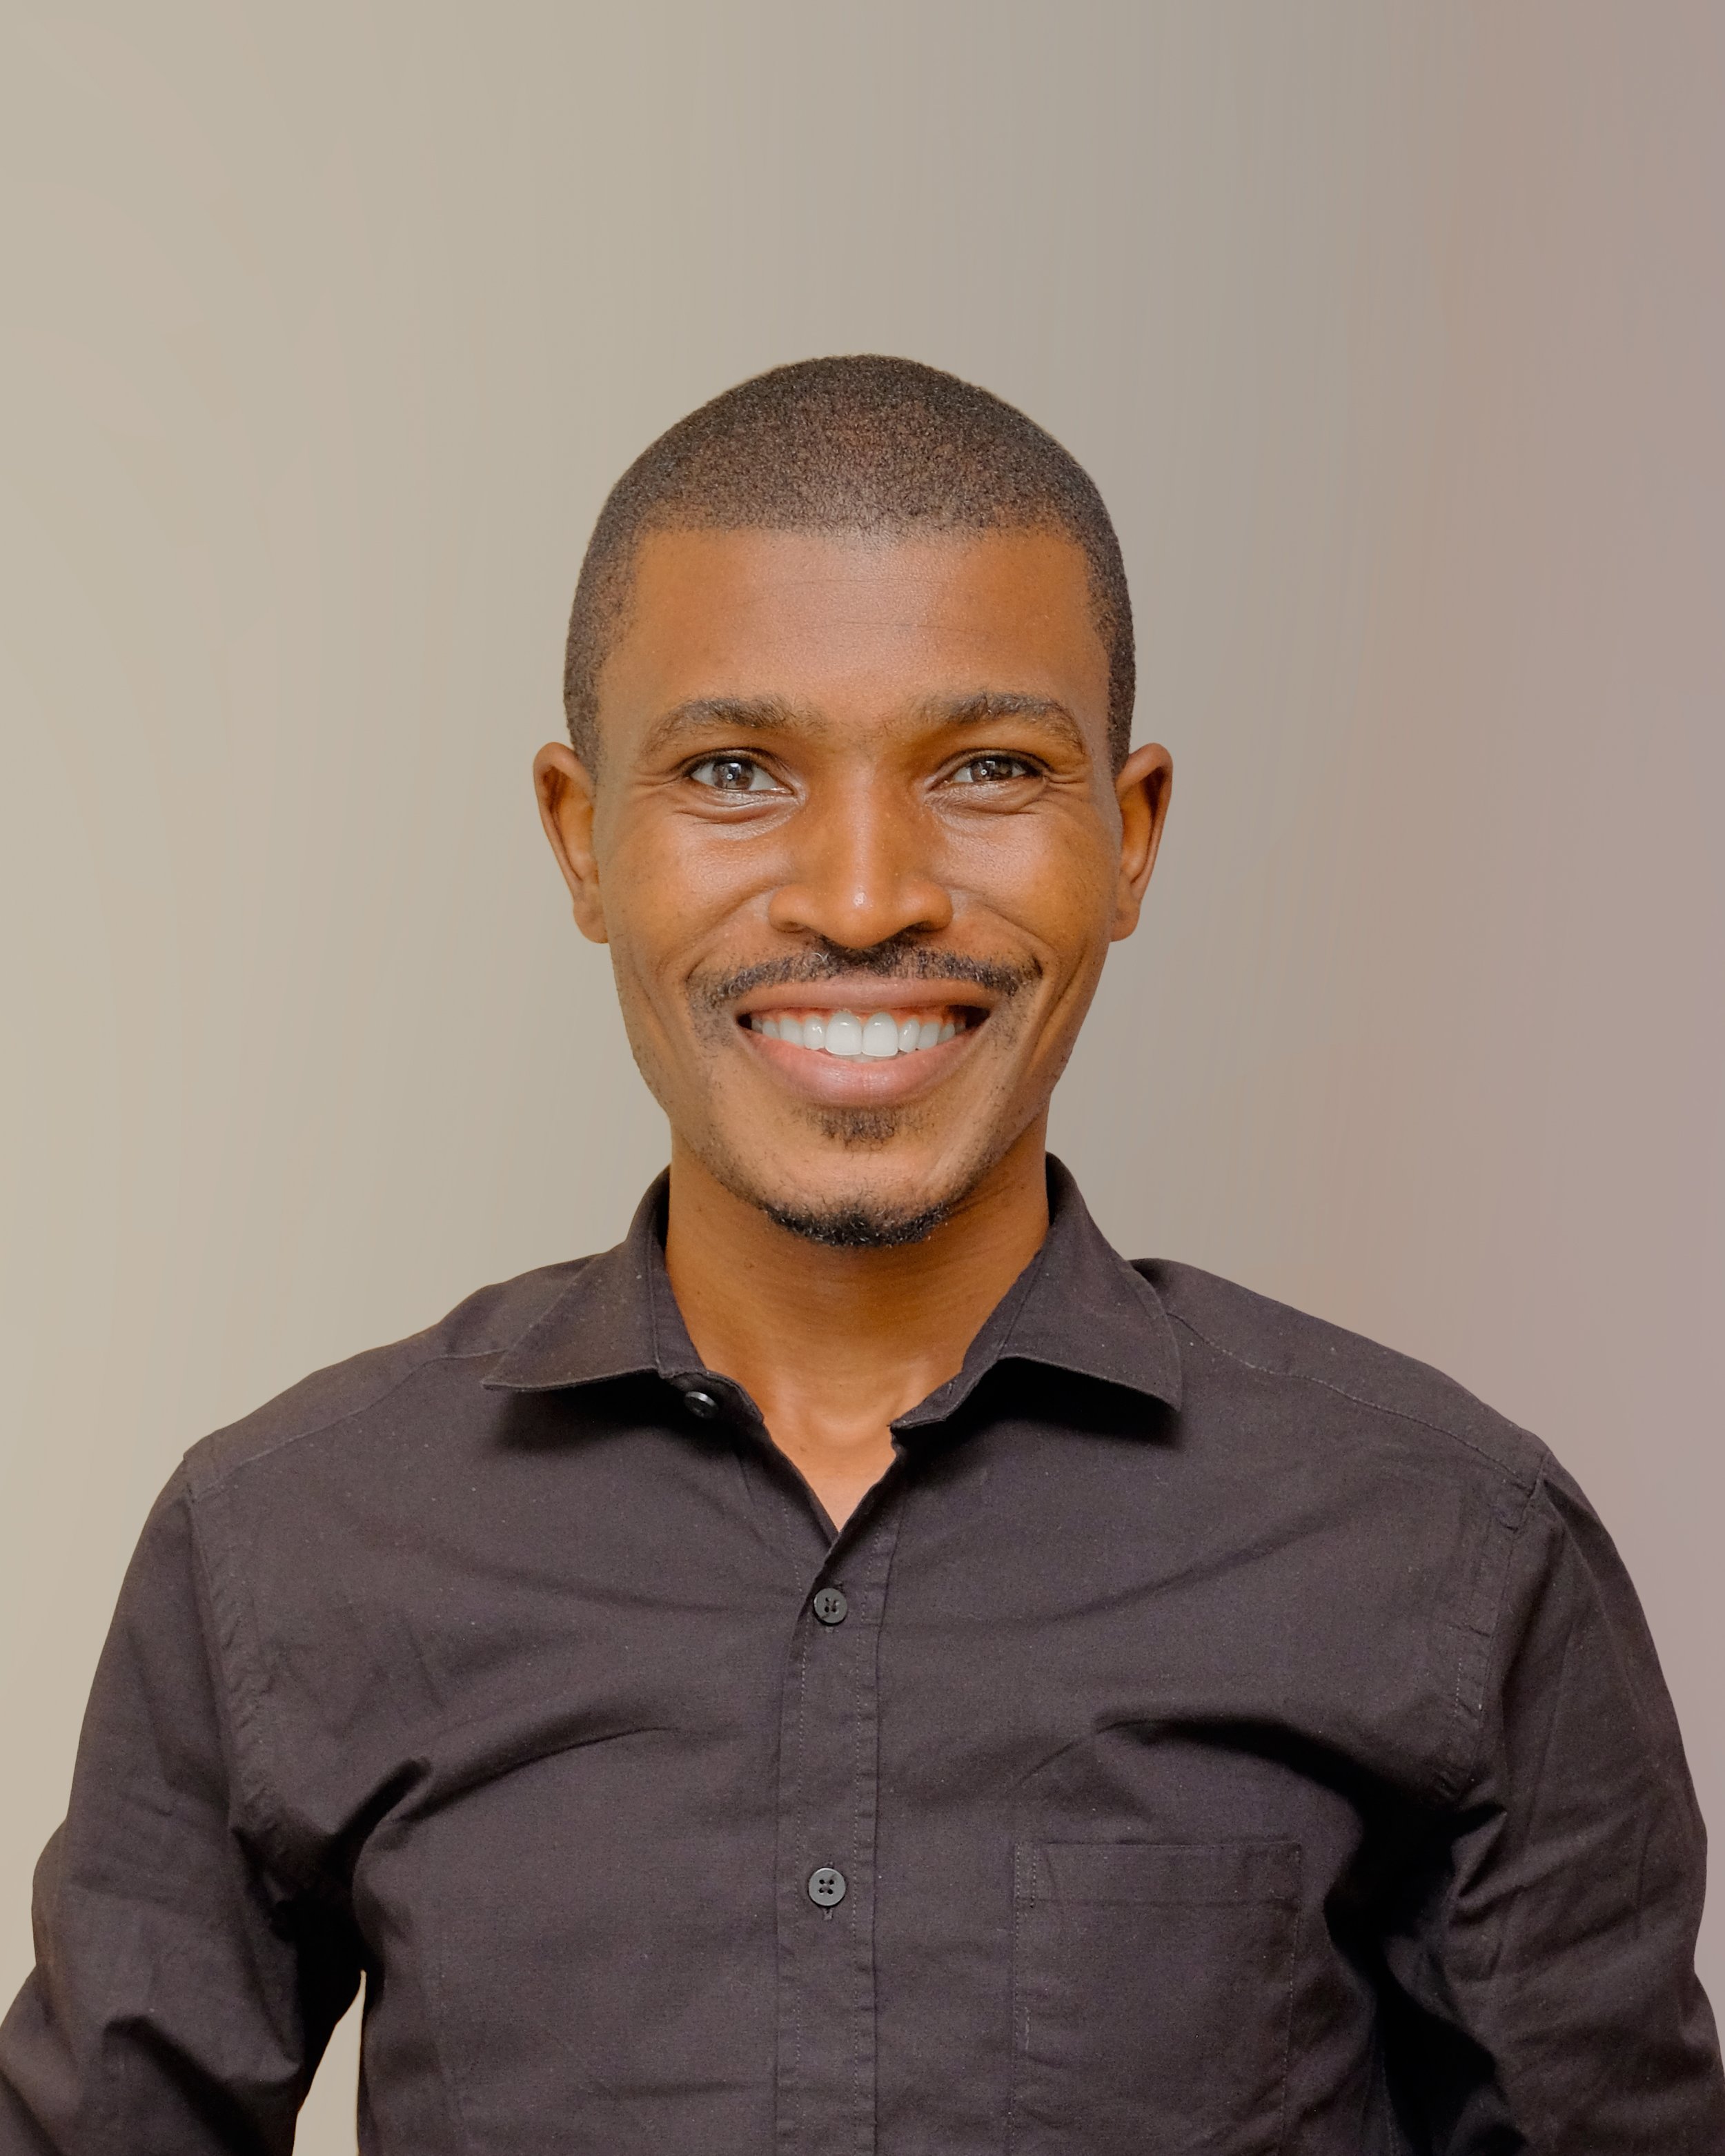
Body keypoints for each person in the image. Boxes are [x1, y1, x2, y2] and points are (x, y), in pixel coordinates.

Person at [1, 356, 1719, 2155]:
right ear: (582, 836)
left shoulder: (1443, 1542)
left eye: (985, 767)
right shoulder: (287, 1543)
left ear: (1125, 836)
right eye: (735, 770)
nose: (862, 891)